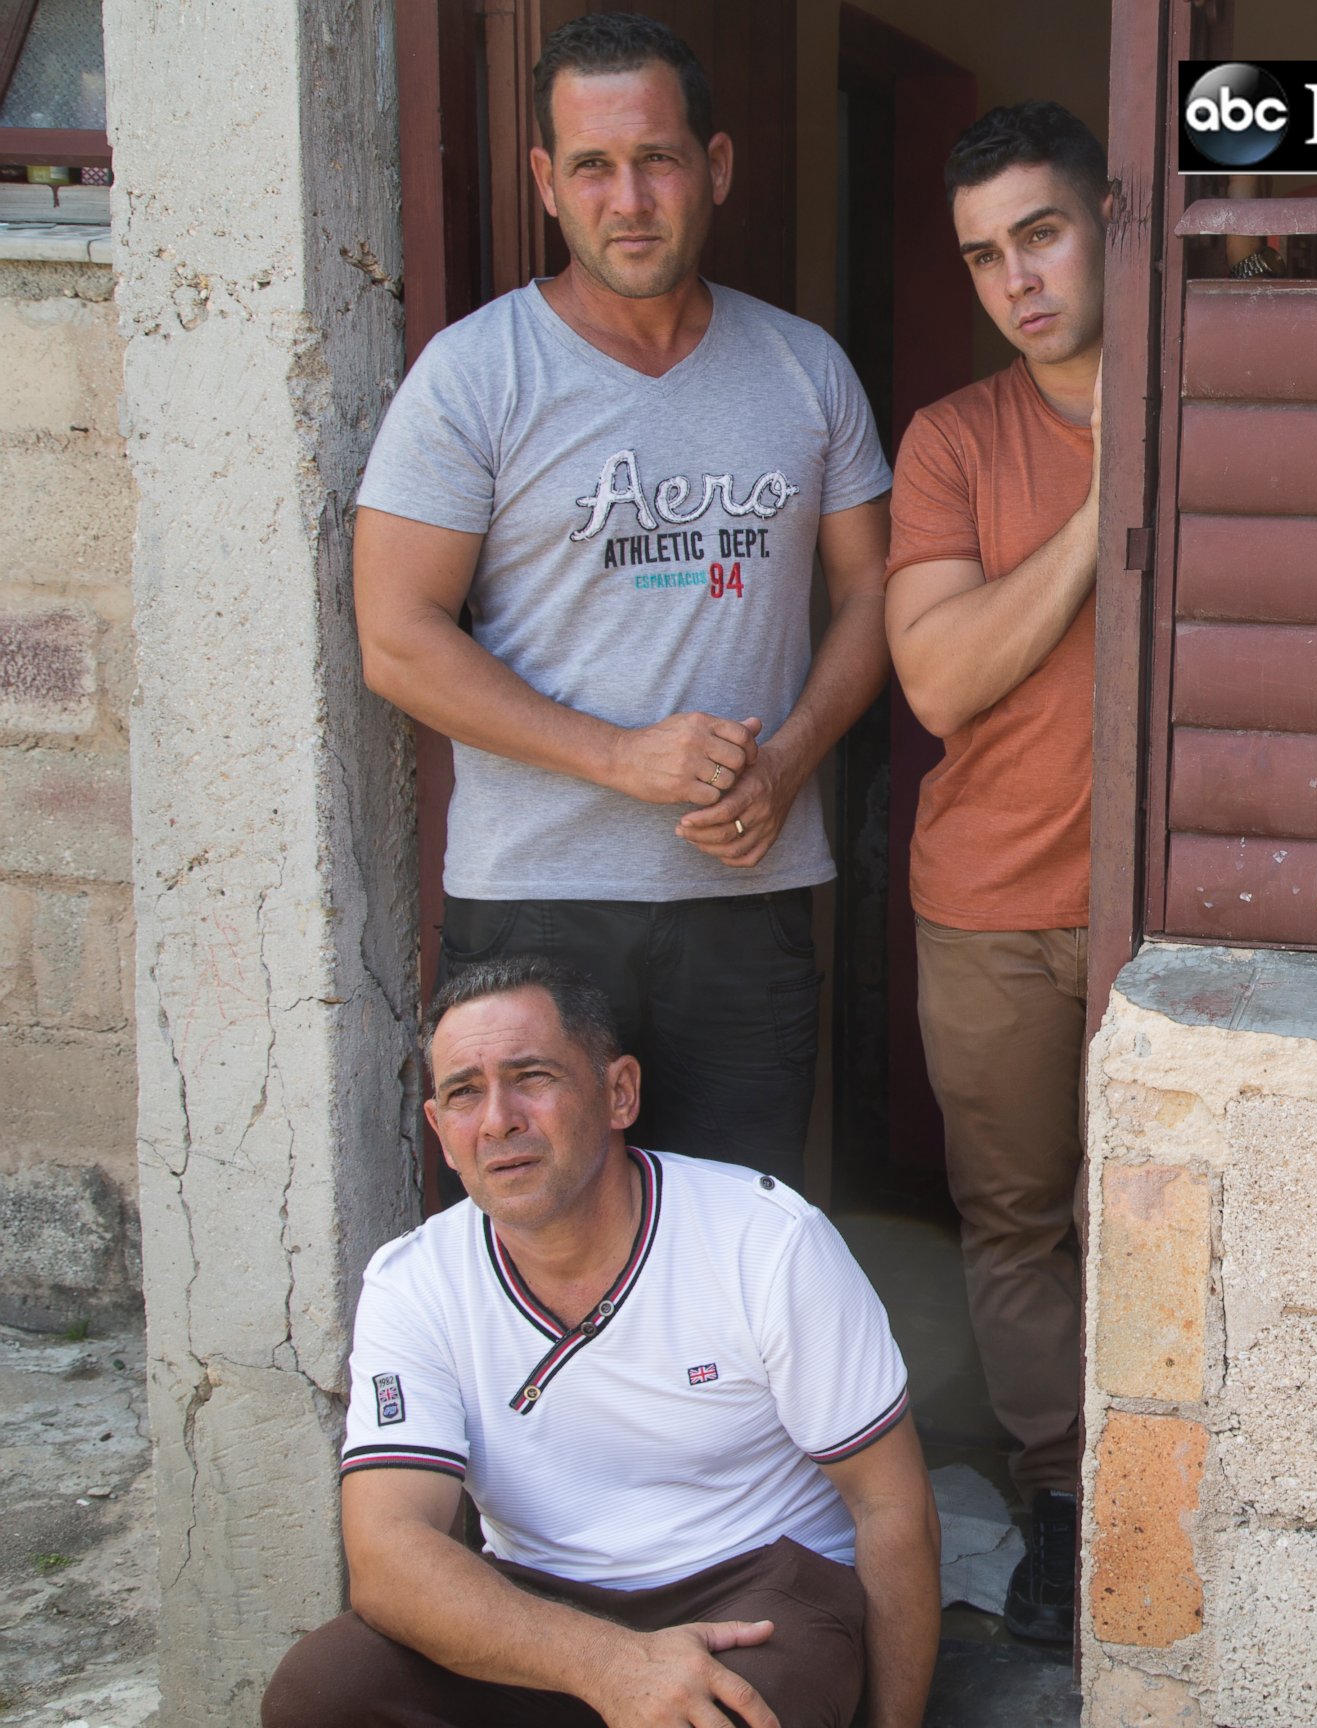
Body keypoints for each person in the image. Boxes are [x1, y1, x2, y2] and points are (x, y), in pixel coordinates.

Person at [354, 13, 894, 1193]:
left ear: (717, 167)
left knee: (735, 1233)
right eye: (593, 166)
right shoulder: (475, 374)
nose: (630, 197)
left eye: (656, 157)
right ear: (548, 182)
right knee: (529, 1232)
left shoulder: (806, 368)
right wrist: (619, 758)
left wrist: (791, 759)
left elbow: (874, 594)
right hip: (536, 900)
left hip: (747, 898)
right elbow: (396, 641)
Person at [260, 957, 940, 1728]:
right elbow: (386, 1554)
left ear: (619, 1093)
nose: (498, 1120)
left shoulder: (765, 1241)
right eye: (463, 1093)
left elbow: (892, 1505)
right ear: (440, 1134)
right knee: (323, 1690)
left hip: (755, 1597)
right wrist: (612, 1665)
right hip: (543, 1601)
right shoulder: (413, 1281)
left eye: (532, 1077)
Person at [881, 100, 1108, 1644]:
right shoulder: (955, 441)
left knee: (1169, 1211)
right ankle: (1063, 1503)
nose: (1017, 279)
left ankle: (1184, 1483)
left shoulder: (1228, 405)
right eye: (984, 255)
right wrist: (1108, 513)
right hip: (988, 905)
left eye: (1042, 233)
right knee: (1018, 1222)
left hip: (1174, 916)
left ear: (1108, 223)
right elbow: (942, 679)